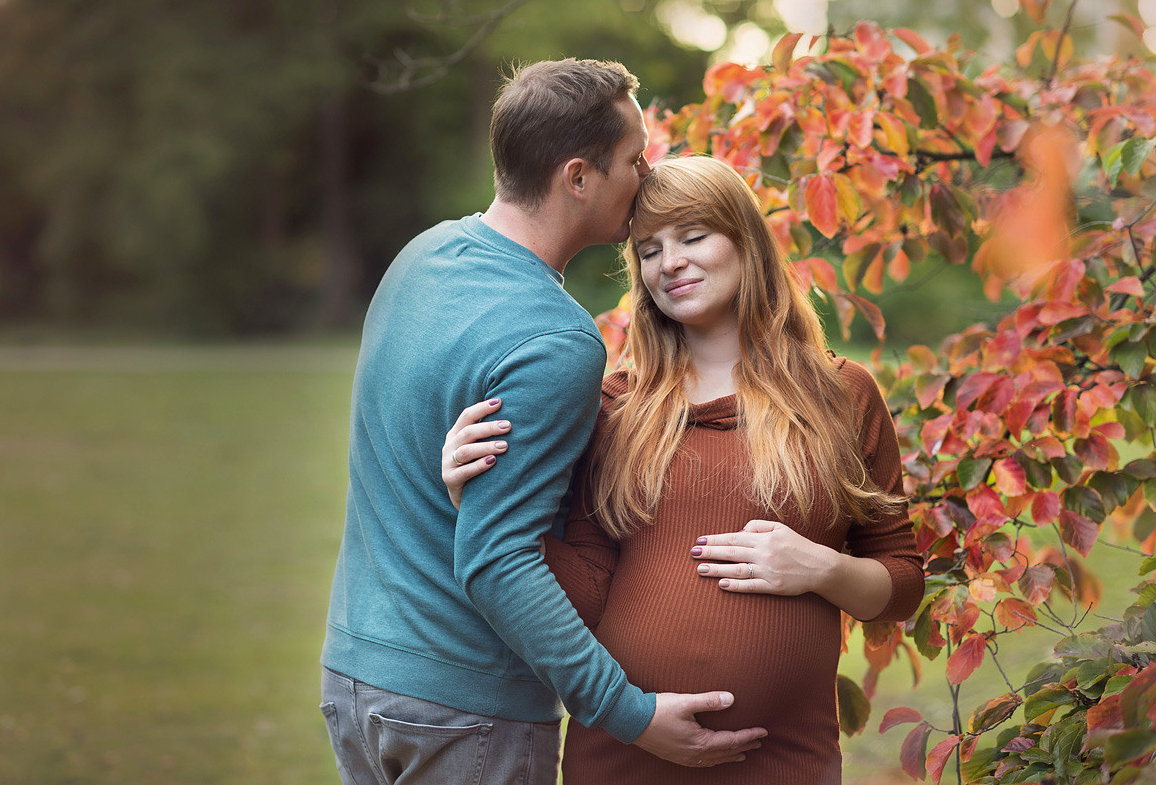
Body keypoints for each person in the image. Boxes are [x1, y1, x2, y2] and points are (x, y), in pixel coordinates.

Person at [319, 61, 768, 785]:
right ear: (578, 177)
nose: (645, 177)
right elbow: (499, 560)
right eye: (634, 158)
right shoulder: (556, 341)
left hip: (356, 678)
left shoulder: (421, 258)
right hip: (464, 707)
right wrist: (629, 713)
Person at [443, 155, 925, 784]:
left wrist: (823, 569)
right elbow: (588, 587)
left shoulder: (842, 393)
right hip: (626, 753)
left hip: (783, 758)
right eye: (649, 250)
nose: (668, 263)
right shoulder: (615, 405)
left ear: (746, 242)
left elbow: (902, 583)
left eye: (693, 237)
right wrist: (481, 500)